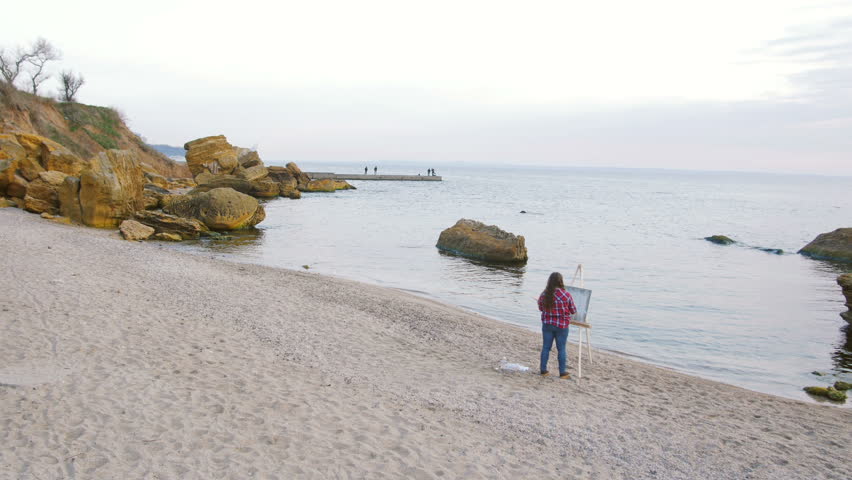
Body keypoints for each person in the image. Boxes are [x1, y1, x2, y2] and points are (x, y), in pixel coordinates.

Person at [538, 272, 577, 378]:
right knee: (561, 349)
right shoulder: (566, 295)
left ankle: (543, 370)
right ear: (561, 281)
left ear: (549, 281)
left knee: (546, 347)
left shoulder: (544, 294)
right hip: (562, 326)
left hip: (547, 324)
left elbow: (540, 308)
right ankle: (562, 372)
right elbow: (573, 310)